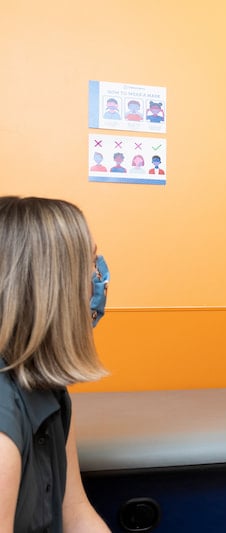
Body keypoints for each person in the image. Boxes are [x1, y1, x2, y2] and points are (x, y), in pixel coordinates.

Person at [0, 196, 111, 532]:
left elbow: (76, 514)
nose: (100, 279)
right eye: (91, 264)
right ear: (51, 284)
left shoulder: (49, 390)